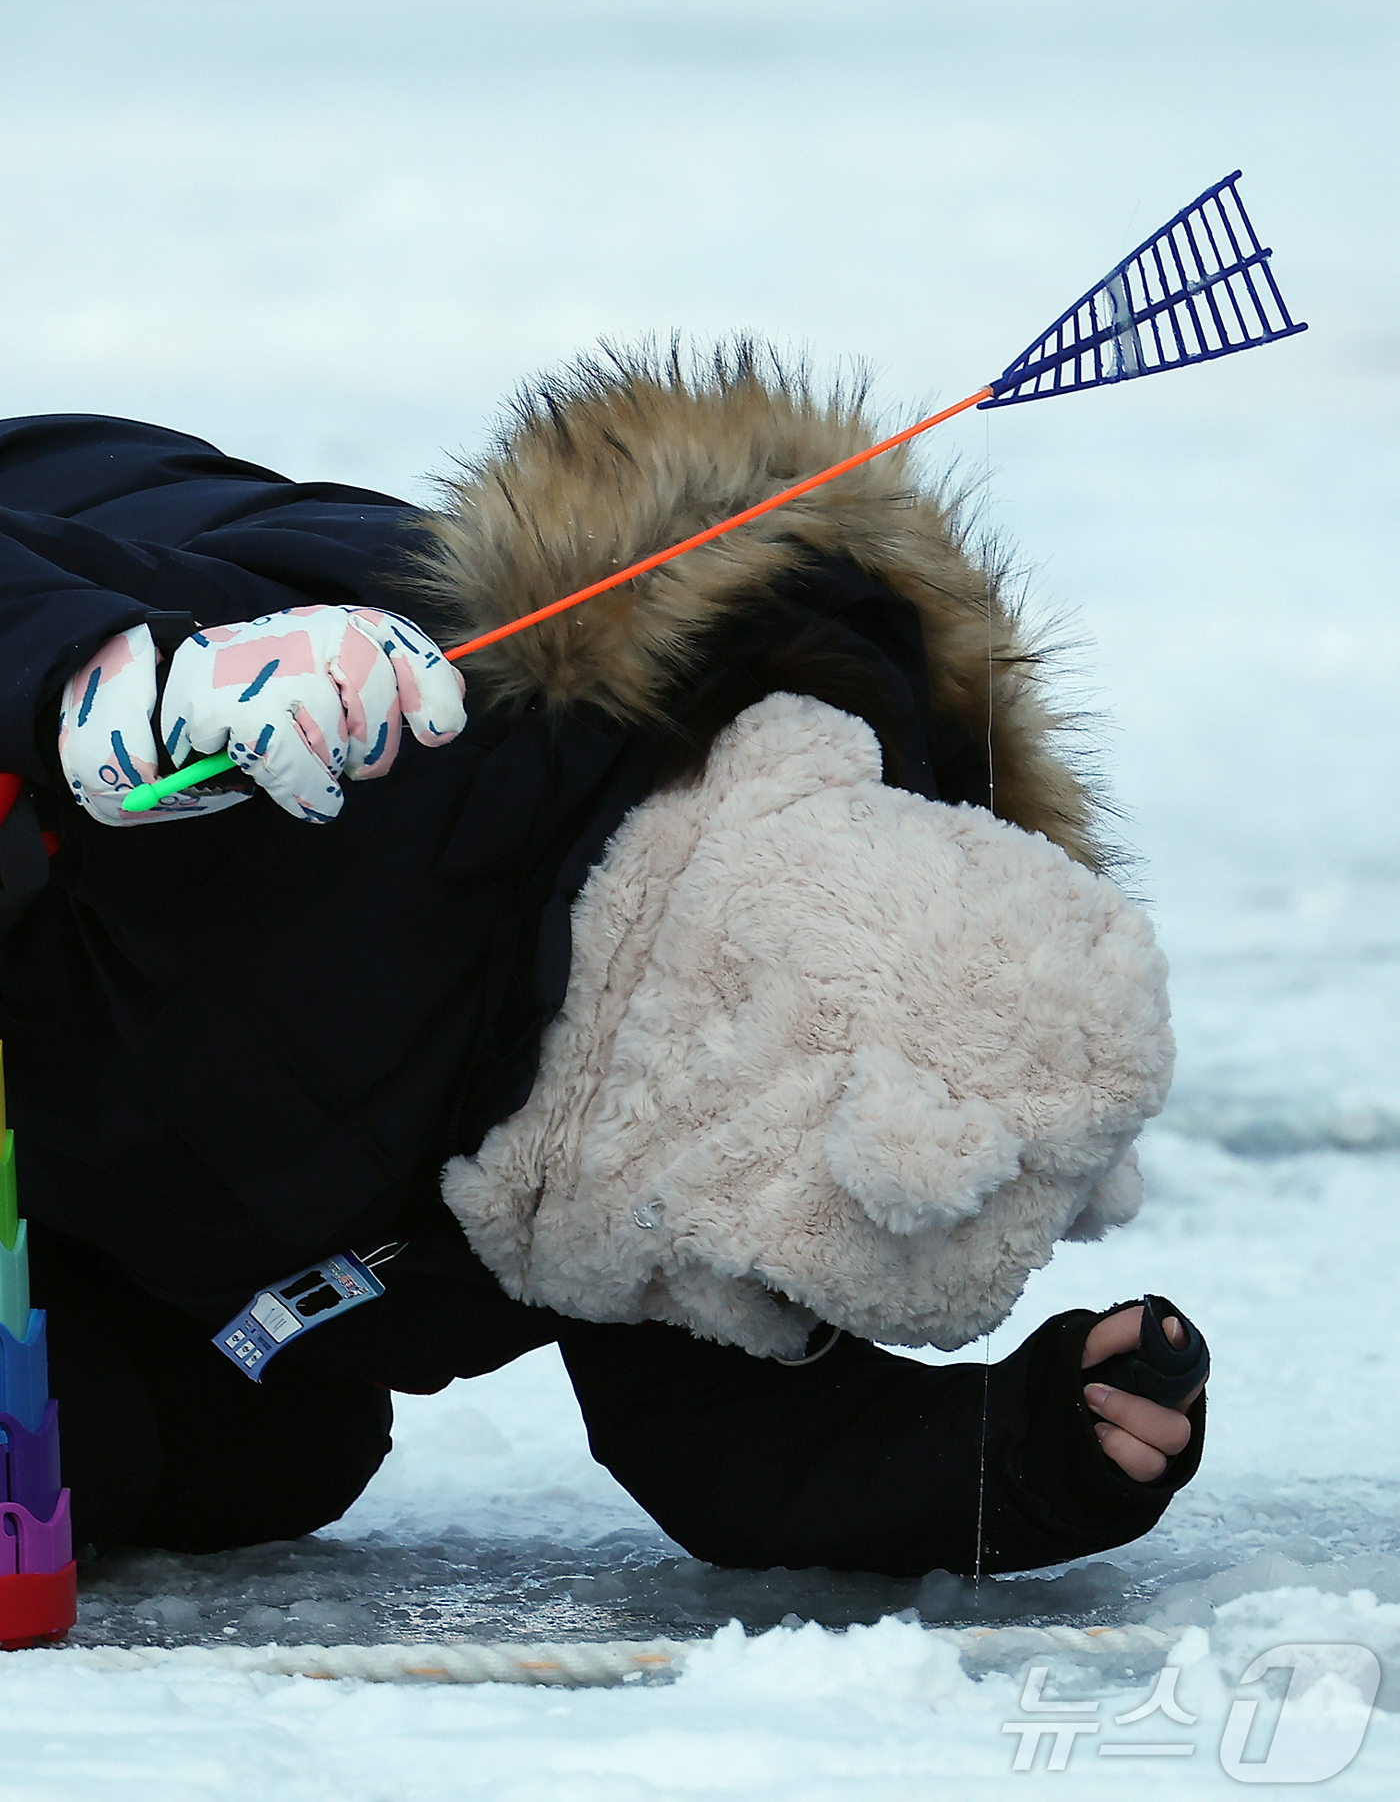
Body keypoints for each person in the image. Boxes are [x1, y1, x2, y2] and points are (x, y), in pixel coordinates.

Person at [0, 343, 1205, 1574]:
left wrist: (1031, 1452)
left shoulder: (680, 1138)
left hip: (96, 1147)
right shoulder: (405, 742)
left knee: (257, 1451)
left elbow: (727, 1431)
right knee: (68, 1449)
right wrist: (102, 679)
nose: (758, 1273)